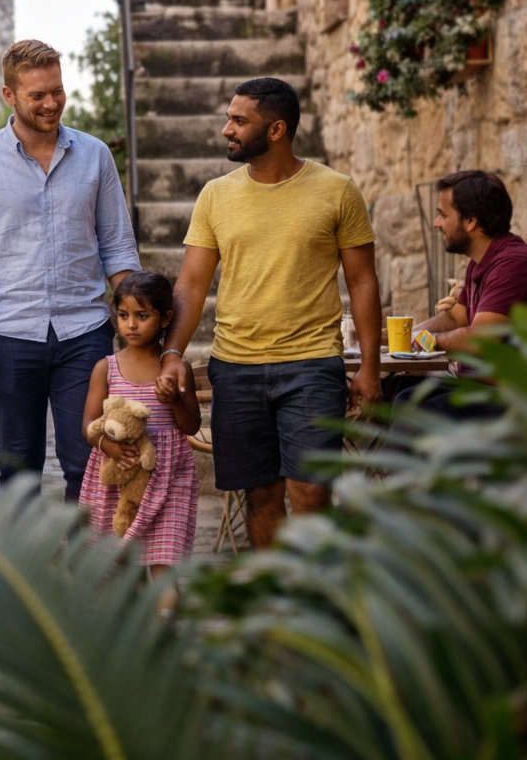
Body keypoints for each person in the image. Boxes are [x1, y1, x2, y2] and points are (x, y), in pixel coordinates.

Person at [158, 77, 383, 549]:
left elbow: (362, 280)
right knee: (260, 494)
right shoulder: (215, 196)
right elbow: (192, 283)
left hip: (311, 365)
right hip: (235, 367)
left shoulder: (337, 191)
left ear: (277, 129)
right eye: (229, 118)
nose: (227, 129)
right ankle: (273, 605)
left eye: (240, 120)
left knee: (311, 491)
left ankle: (315, 601)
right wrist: (172, 350)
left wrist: (369, 366)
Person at [0, 38, 141, 502]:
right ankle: (23, 571)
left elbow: (117, 247)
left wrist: (137, 324)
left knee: (90, 460)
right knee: (18, 467)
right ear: (9, 95)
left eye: (57, 91)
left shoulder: (95, 156)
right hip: (7, 334)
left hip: (84, 331)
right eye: (37, 95)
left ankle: (82, 570)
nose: (51, 103)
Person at [79, 272, 201, 610]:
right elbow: (88, 423)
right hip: (118, 480)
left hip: (168, 477)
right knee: (121, 566)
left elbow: (191, 426)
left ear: (165, 318)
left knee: (164, 566)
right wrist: (109, 446)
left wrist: (174, 399)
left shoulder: (175, 368)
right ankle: (131, 637)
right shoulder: (106, 368)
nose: (131, 325)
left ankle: (165, 635)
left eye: (142, 316)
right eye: (123, 315)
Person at [413, 169, 527, 417]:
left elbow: (480, 340)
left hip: (514, 401)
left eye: (442, 215)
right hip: (477, 388)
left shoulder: (514, 263)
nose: (436, 223)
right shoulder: (480, 261)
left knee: (421, 410)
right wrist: (403, 336)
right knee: (403, 393)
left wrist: (424, 341)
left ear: (471, 221)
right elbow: (453, 319)